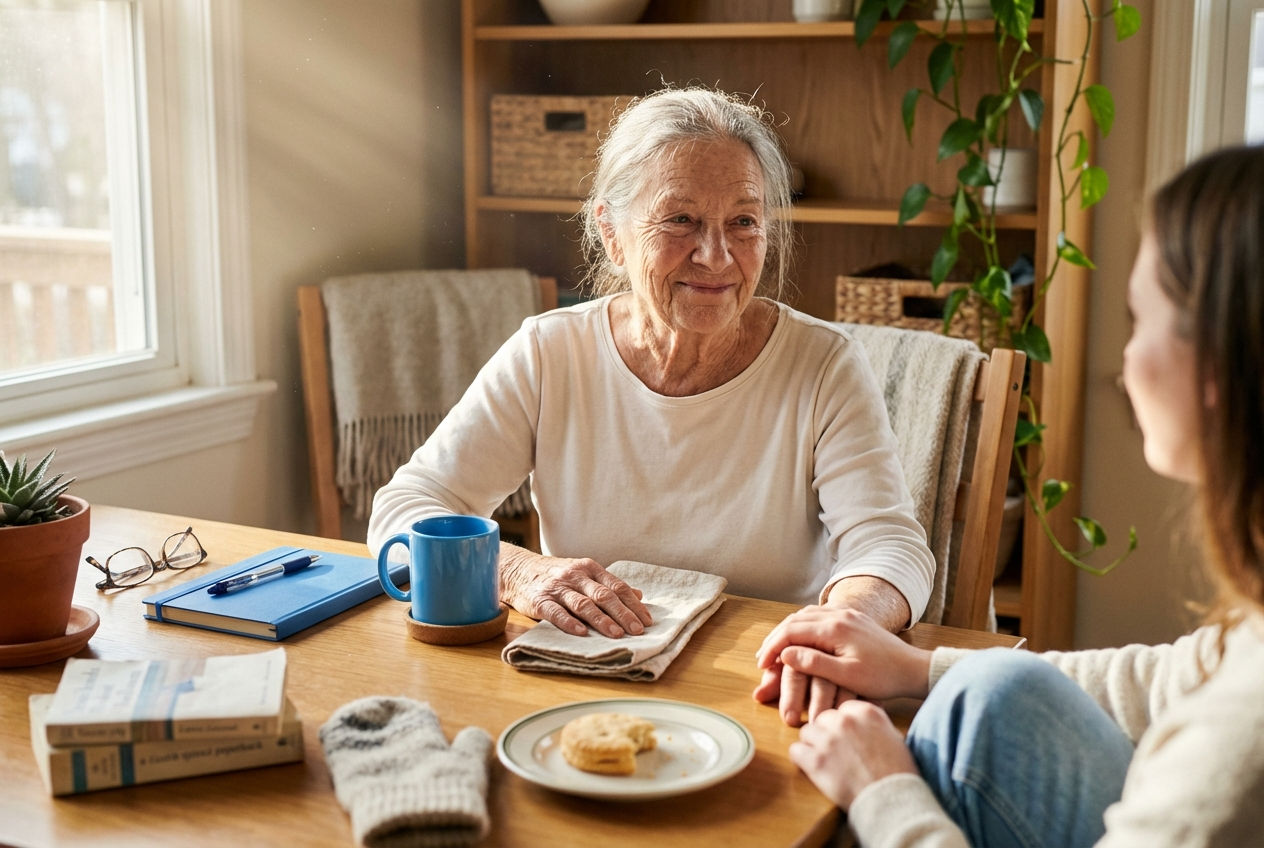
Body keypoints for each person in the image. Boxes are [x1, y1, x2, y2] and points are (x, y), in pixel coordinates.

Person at [754, 145, 1264, 847]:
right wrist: (914, 668)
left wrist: (883, 792)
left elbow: (888, 540)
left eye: (1139, 320)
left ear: (1217, 362)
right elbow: (1170, 677)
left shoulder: (1237, 748)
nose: (1125, 359)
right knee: (987, 694)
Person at [368, 87, 934, 646]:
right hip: (589, 668)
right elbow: (406, 506)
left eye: (743, 222)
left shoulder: (823, 365)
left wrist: (840, 626)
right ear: (612, 235)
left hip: (764, 672)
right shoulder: (550, 353)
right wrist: (519, 572)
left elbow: (887, 545)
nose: (716, 256)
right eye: (680, 219)